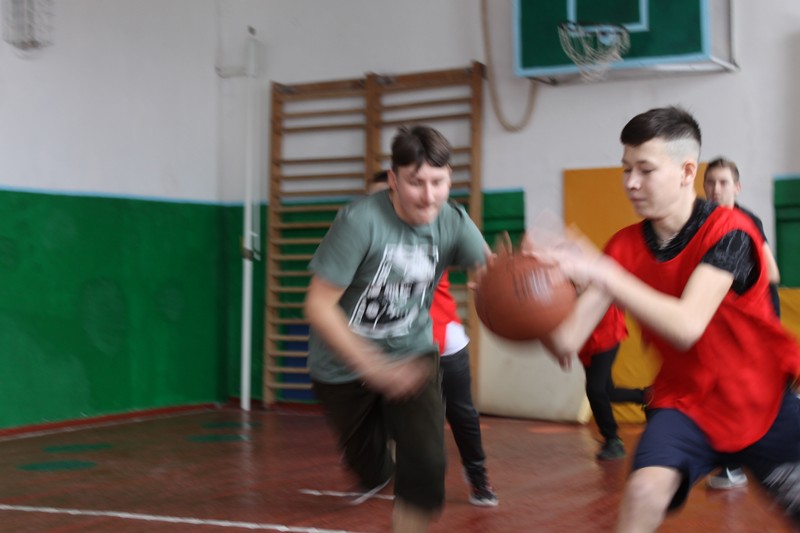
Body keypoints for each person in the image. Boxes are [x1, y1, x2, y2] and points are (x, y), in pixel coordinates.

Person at [527, 106, 800, 531]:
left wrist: (603, 272)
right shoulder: (623, 248)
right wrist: (523, 296)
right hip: (684, 404)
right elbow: (566, 340)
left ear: (686, 171)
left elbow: (687, 325)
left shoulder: (731, 232)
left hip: (760, 402)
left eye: (645, 170)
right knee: (642, 492)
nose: (631, 182)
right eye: (626, 169)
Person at [304, 125, 488, 532]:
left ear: (450, 179)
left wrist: (523, 280)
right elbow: (317, 305)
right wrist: (375, 368)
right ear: (393, 179)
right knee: (371, 469)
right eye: (416, 182)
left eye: (438, 182)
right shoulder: (360, 222)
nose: (429, 196)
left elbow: (490, 274)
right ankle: (376, 465)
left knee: (426, 466)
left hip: (412, 354)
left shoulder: (453, 221)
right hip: (342, 367)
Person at [370, 171, 498, 507]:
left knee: (462, 414)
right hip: (396, 344)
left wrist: (493, 280)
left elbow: (484, 261)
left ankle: (477, 475)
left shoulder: (431, 233)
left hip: (442, 338)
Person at [703, 156, 783, 490]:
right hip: (726, 323)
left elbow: (773, 273)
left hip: (756, 319)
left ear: (736, 187)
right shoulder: (702, 223)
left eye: (723, 182)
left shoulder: (746, 221)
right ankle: (732, 465)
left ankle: (737, 465)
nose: (716, 189)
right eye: (710, 183)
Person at [579, 305, 648, 461]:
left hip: (606, 332)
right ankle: (646, 396)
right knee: (606, 391)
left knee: (595, 390)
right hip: (587, 336)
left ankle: (613, 440)